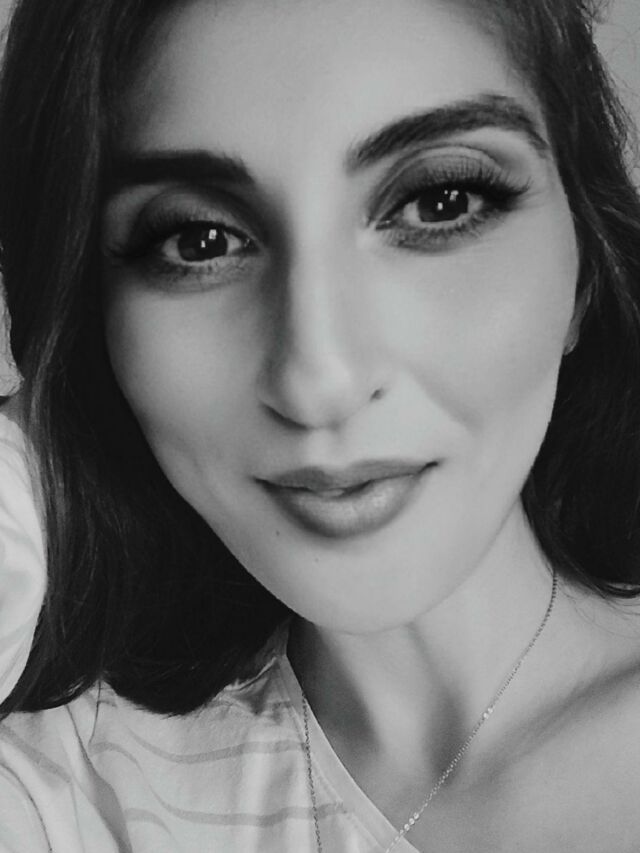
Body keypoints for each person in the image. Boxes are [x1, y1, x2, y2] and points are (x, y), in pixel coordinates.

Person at [1, 0, 640, 849]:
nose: (319, 381)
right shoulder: (73, 789)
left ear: (585, 269)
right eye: (198, 241)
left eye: (439, 201)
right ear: (97, 323)